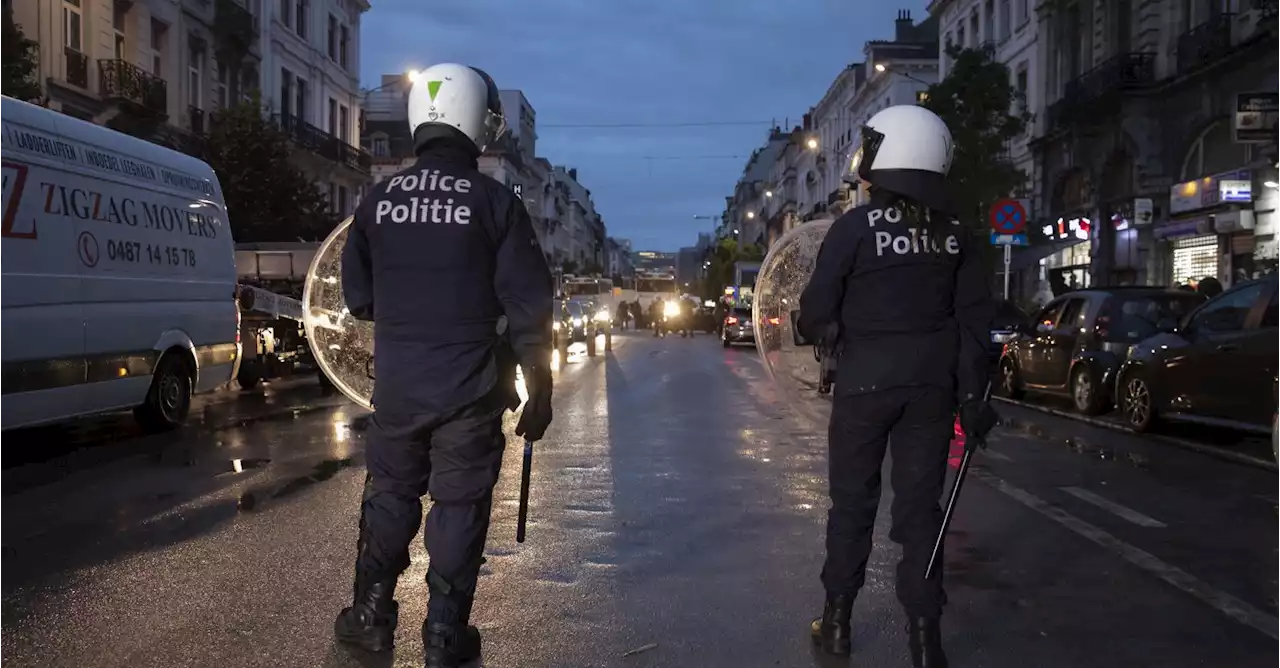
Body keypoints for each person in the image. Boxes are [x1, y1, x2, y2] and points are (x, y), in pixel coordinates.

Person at [333, 62, 555, 668]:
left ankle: (371, 619)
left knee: (390, 497)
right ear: (473, 119)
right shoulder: (495, 202)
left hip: (401, 387)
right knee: (459, 505)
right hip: (471, 389)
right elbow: (529, 304)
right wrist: (539, 383)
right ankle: (444, 633)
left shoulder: (377, 201)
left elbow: (359, 298)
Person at [796, 104, 998, 667]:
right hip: (931, 390)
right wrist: (974, 397)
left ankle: (836, 622)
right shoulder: (958, 237)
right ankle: (925, 639)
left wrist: (831, 327)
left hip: (865, 387)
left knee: (852, 505)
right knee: (920, 513)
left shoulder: (854, 228)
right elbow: (974, 324)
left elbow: (814, 314)